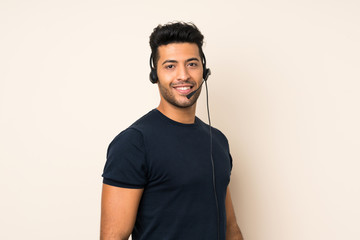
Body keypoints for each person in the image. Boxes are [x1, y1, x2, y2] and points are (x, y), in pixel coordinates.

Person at [100, 21, 243, 240]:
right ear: (155, 74)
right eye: (170, 66)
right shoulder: (134, 143)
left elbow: (231, 228)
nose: (183, 75)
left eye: (192, 64)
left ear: (204, 71)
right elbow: (113, 237)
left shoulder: (218, 140)